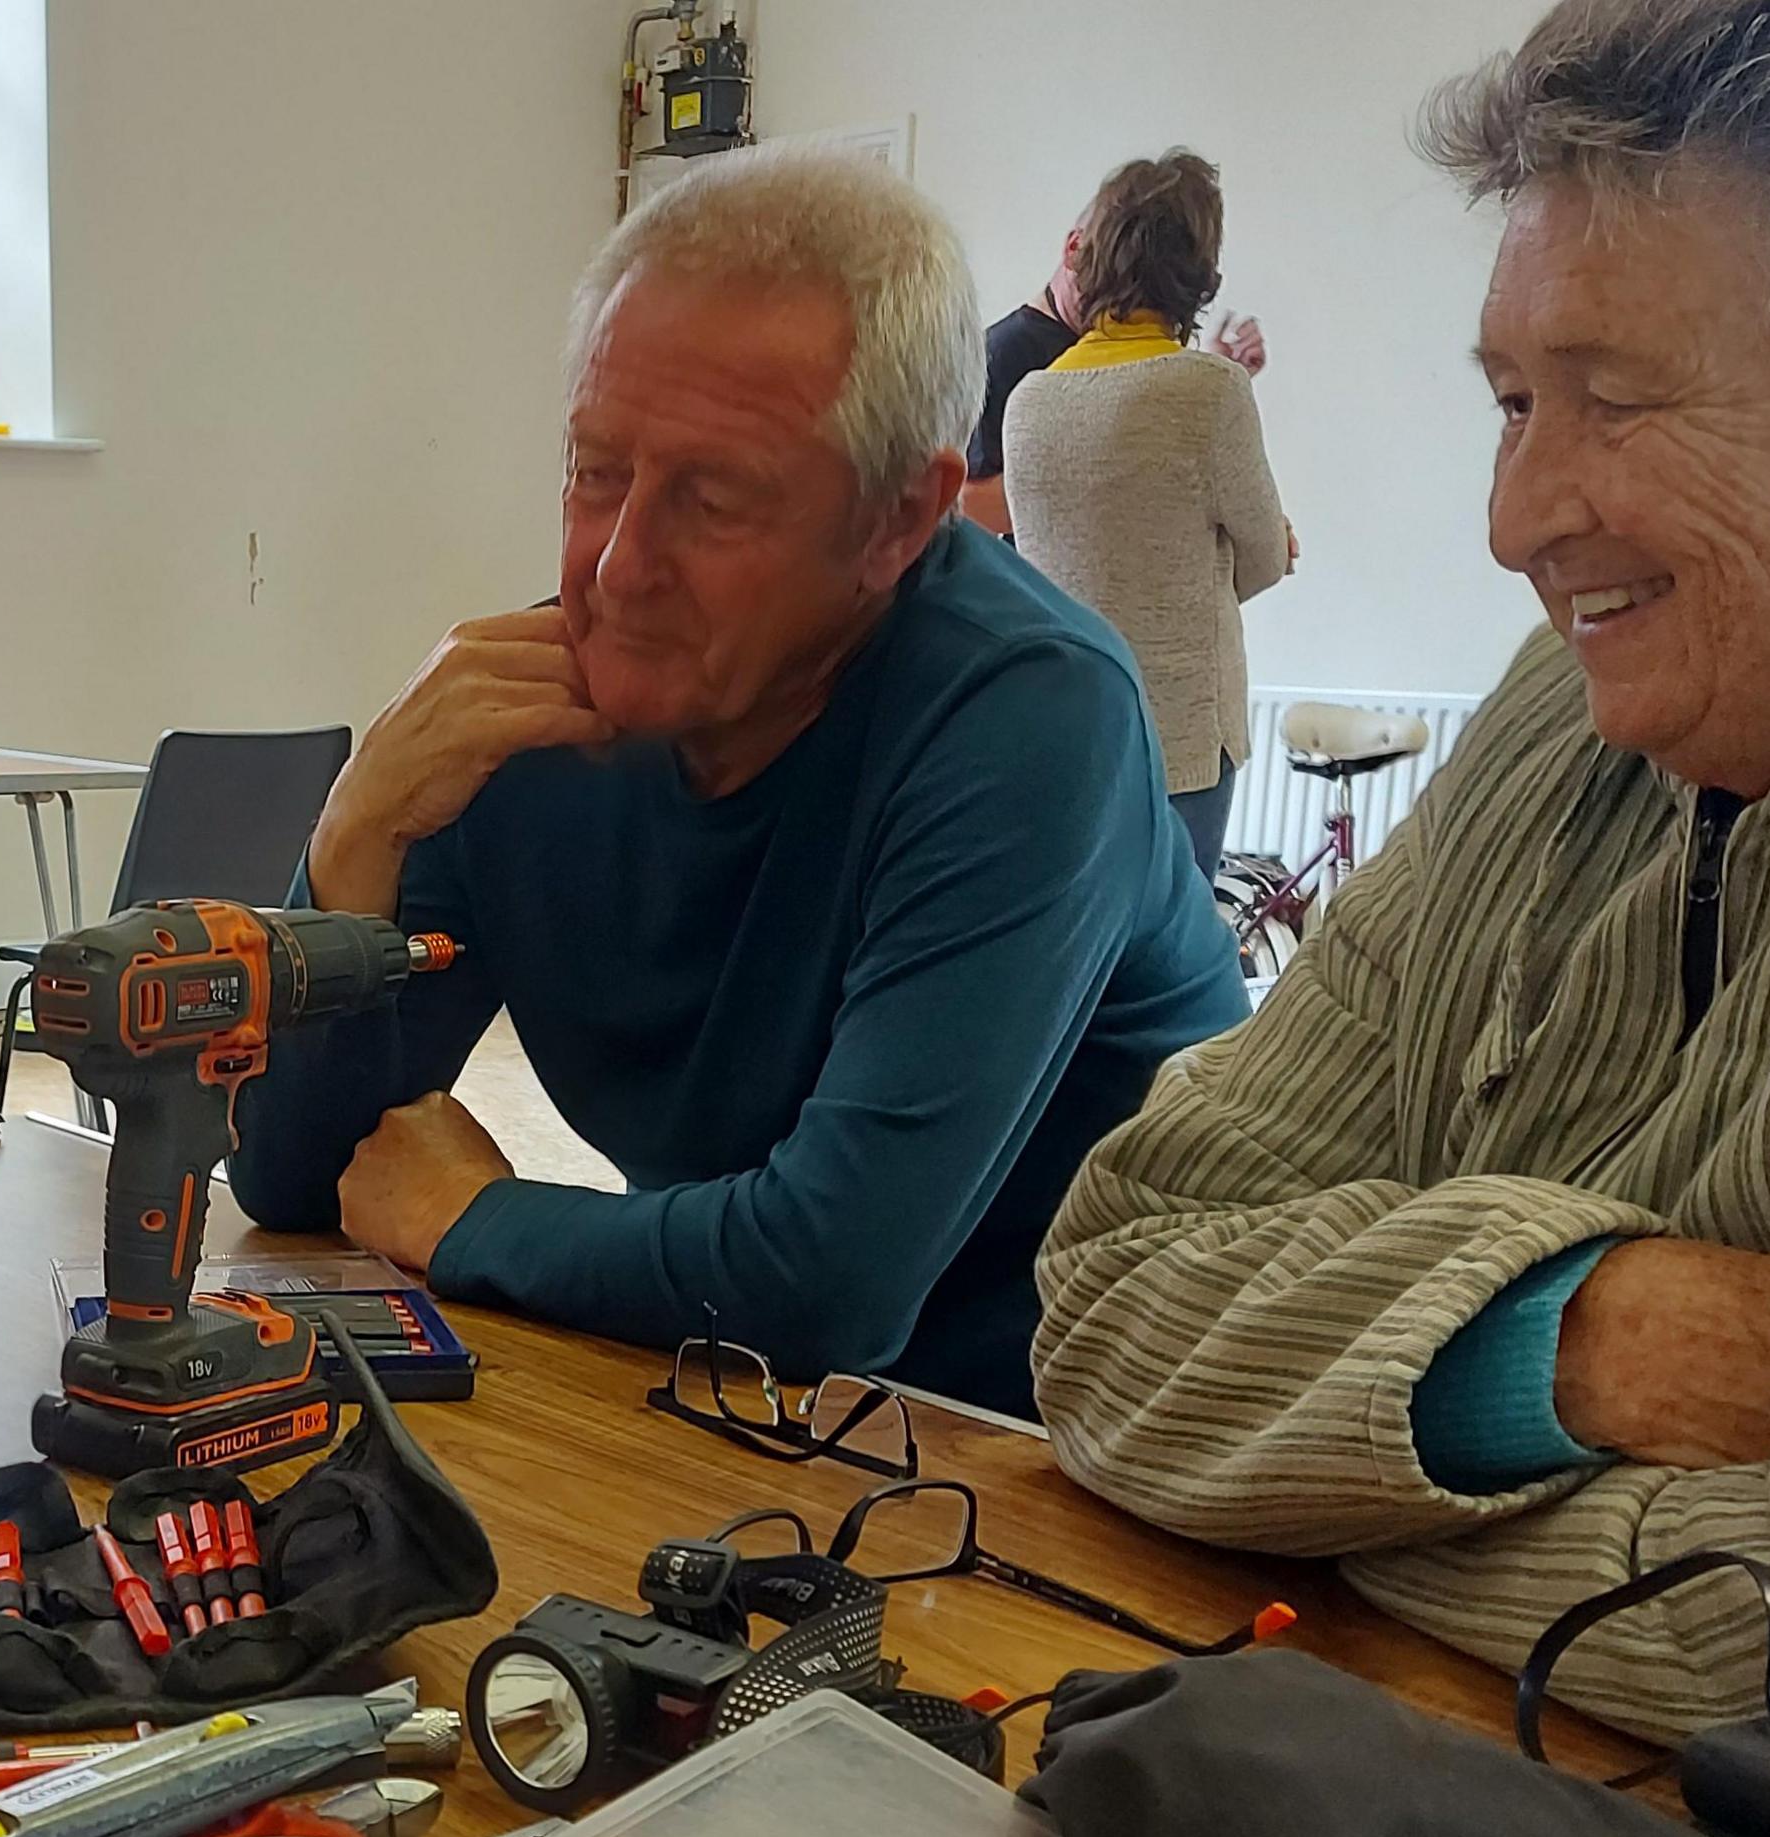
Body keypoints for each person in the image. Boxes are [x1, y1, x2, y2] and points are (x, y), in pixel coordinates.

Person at [1035, 0, 1770, 1737]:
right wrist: (1579, 1335)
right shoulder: (1581, 709)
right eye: (1517, 399)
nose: (1515, 520)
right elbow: (1111, 1301)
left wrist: (1332, 1475)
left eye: (1622, 399)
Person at [228, 146, 1248, 1419]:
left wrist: (479, 1217)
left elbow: (832, 1279)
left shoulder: (1033, 713)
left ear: (899, 520)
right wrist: (352, 838)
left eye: (710, 500)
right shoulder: (529, 719)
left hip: (1085, 1446)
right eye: (598, 471)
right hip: (765, 1409)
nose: (615, 567)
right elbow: (295, 1176)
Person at [1003, 152, 1294, 875]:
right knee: (1174, 960)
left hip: (1067, 729)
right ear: (1198, 273)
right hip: (1183, 737)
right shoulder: (1211, 391)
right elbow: (1264, 558)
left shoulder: (1029, 401)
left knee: (1085, 954)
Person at [964, 186, 1264, 537]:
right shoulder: (1000, 353)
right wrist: (1102, 473)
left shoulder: (1116, 343)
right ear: (1075, 249)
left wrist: (1205, 379)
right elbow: (970, 508)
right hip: (1042, 587)